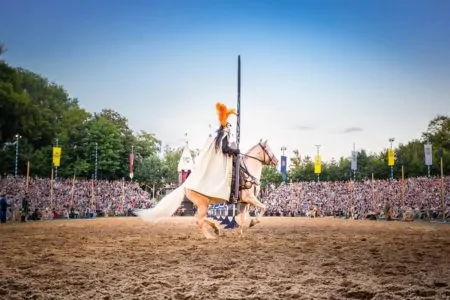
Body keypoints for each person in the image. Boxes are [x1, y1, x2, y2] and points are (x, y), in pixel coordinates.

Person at [185, 102, 240, 202]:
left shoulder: (220, 135)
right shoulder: (224, 134)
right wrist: (235, 151)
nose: (229, 128)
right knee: (233, 173)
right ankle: (233, 194)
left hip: (219, 159)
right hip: (221, 161)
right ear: (226, 127)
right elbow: (224, 149)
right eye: (229, 126)